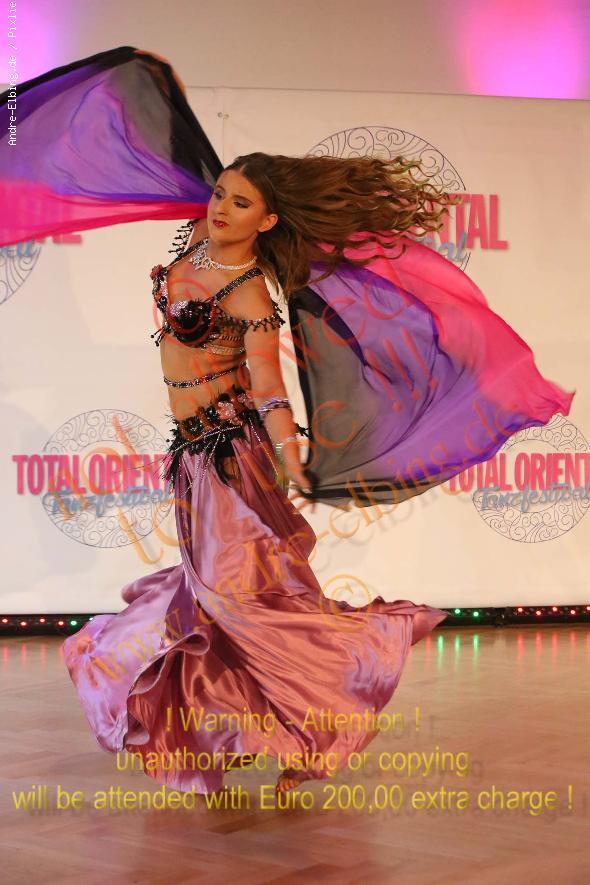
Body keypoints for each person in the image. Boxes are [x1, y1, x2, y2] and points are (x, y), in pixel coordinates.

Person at [0, 47, 575, 796]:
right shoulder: (192, 248)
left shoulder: (248, 294)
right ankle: (236, 733)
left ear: (267, 220)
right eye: (221, 194)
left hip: (233, 458)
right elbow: (180, 163)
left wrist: (291, 454)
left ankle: (346, 678)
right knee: (210, 603)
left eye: (240, 203)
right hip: (191, 458)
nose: (221, 208)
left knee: (235, 600)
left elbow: (269, 388)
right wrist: (159, 85)